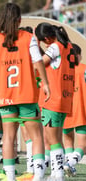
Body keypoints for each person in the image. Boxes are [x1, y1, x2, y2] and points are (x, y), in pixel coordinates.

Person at [0, 3, 50, 181]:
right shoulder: (28, 37)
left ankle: (10, 176)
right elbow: (37, 60)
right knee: (36, 136)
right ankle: (39, 176)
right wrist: (46, 83)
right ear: (19, 19)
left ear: (2, 19)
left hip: (4, 94)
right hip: (26, 93)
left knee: (9, 137)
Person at [35, 22, 75, 181]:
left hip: (53, 98)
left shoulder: (54, 47)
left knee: (52, 140)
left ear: (45, 38)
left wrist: (34, 47)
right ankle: (55, 173)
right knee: (57, 138)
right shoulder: (68, 45)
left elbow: (39, 64)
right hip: (65, 98)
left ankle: (58, 175)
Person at [62, 43, 84, 177]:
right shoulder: (83, 69)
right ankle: (69, 163)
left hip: (65, 110)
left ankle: (69, 165)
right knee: (83, 145)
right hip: (81, 110)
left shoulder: (62, 70)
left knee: (68, 141)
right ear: (78, 55)